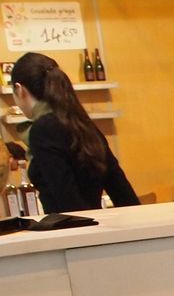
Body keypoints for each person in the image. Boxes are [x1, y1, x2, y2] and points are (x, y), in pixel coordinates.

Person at [8, 52, 139, 214]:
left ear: (19, 90)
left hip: (69, 234)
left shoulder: (42, 130)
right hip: (97, 230)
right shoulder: (84, 125)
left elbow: (67, 202)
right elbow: (125, 195)